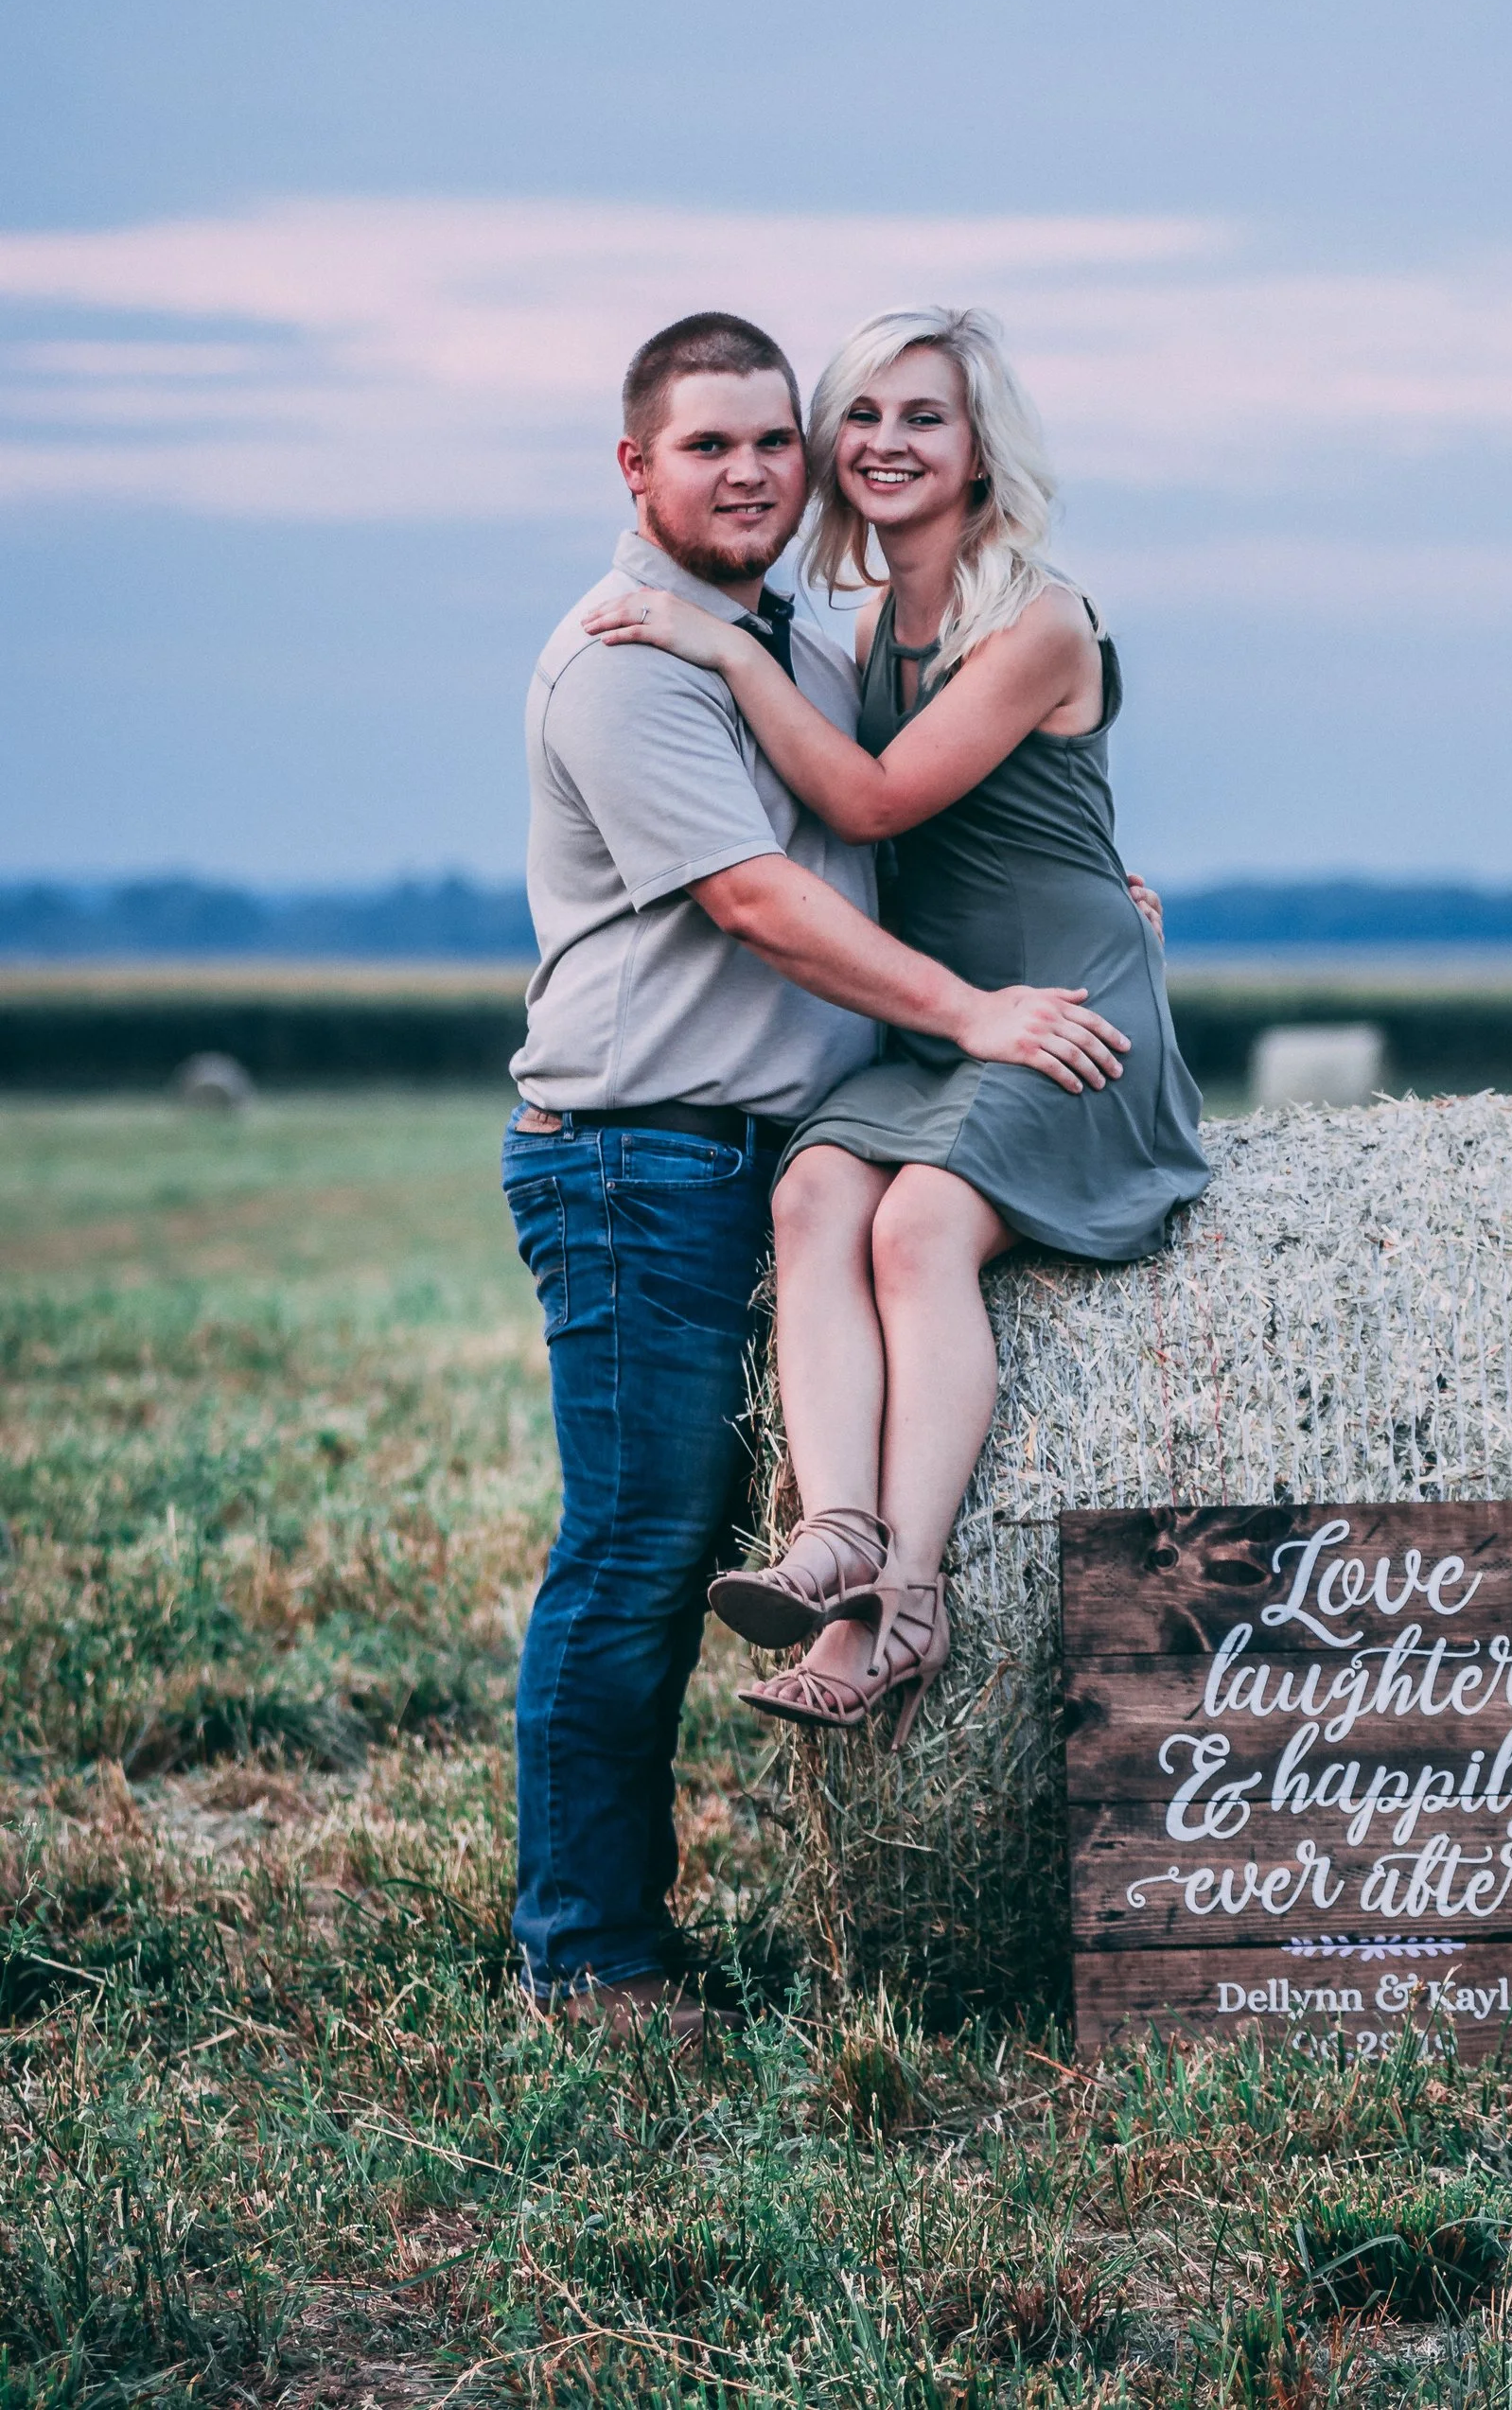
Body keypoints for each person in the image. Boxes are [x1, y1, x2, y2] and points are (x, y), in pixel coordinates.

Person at [505, 310, 1133, 2042]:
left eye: (773, 440)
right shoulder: (637, 657)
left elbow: (921, 815)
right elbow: (761, 898)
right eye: (712, 444)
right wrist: (977, 1013)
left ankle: (861, 1577)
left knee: (674, 1535)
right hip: (638, 1153)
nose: (759, 468)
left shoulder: (792, 635)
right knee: (633, 1552)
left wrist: (1098, 896)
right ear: (635, 466)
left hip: (760, 1141)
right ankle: (588, 1956)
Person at [580, 305, 1208, 1750]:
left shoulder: (1040, 615)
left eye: (922, 415)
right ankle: (837, 1530)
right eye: (859, 414)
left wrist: (719, 649)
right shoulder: (862, 629)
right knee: (813, 1191)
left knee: (920, 1228)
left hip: (1058, 1011)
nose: (884, 442)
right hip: (945, 1016)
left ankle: (904, 1602)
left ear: (982, 445)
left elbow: (866, 802)